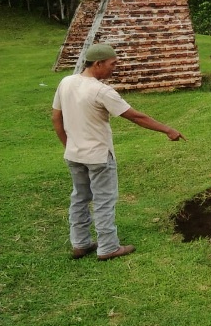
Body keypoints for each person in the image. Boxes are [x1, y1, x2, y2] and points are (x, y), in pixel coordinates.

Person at [52, 43, 185, 261]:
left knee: (80, 198)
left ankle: (80, 243)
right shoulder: (101, 91)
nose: (115, 68)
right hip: (98, 157)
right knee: (104, 200)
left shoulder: (66, 82)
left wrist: (69, 145)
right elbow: (135, 116)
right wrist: (168, 130)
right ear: (98, 63)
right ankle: (108, 247)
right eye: (112, 64)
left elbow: (56, 118)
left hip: (74, 155)